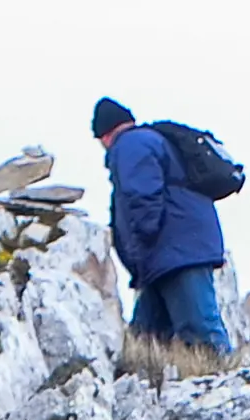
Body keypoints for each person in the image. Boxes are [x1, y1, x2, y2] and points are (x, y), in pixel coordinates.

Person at [93, 97, 234, 358]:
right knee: (145, 339)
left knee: (199, 329)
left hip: (175, 253)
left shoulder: (131, 145)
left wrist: (143, 239)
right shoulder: (148, 141)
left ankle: (225, 376)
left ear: (104, 135)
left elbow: (141, 196)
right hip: (165, 256)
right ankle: (143, 385)